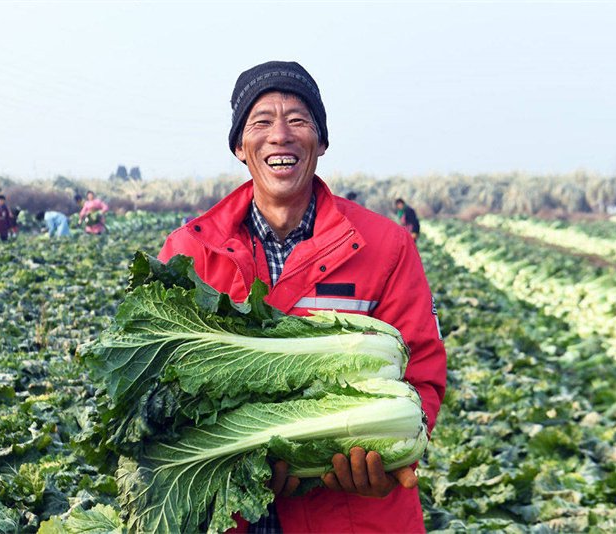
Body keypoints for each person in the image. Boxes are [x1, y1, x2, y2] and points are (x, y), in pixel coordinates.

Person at [159, 60, 446, 533]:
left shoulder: (387, 246)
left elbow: (422, 377)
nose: (280, 136)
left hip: (352, 518)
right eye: (262, 122)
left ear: (322, 141)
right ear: (239, 147)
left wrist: (387, 459)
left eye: (298, 120)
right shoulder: (189, 252)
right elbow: (164, 395)